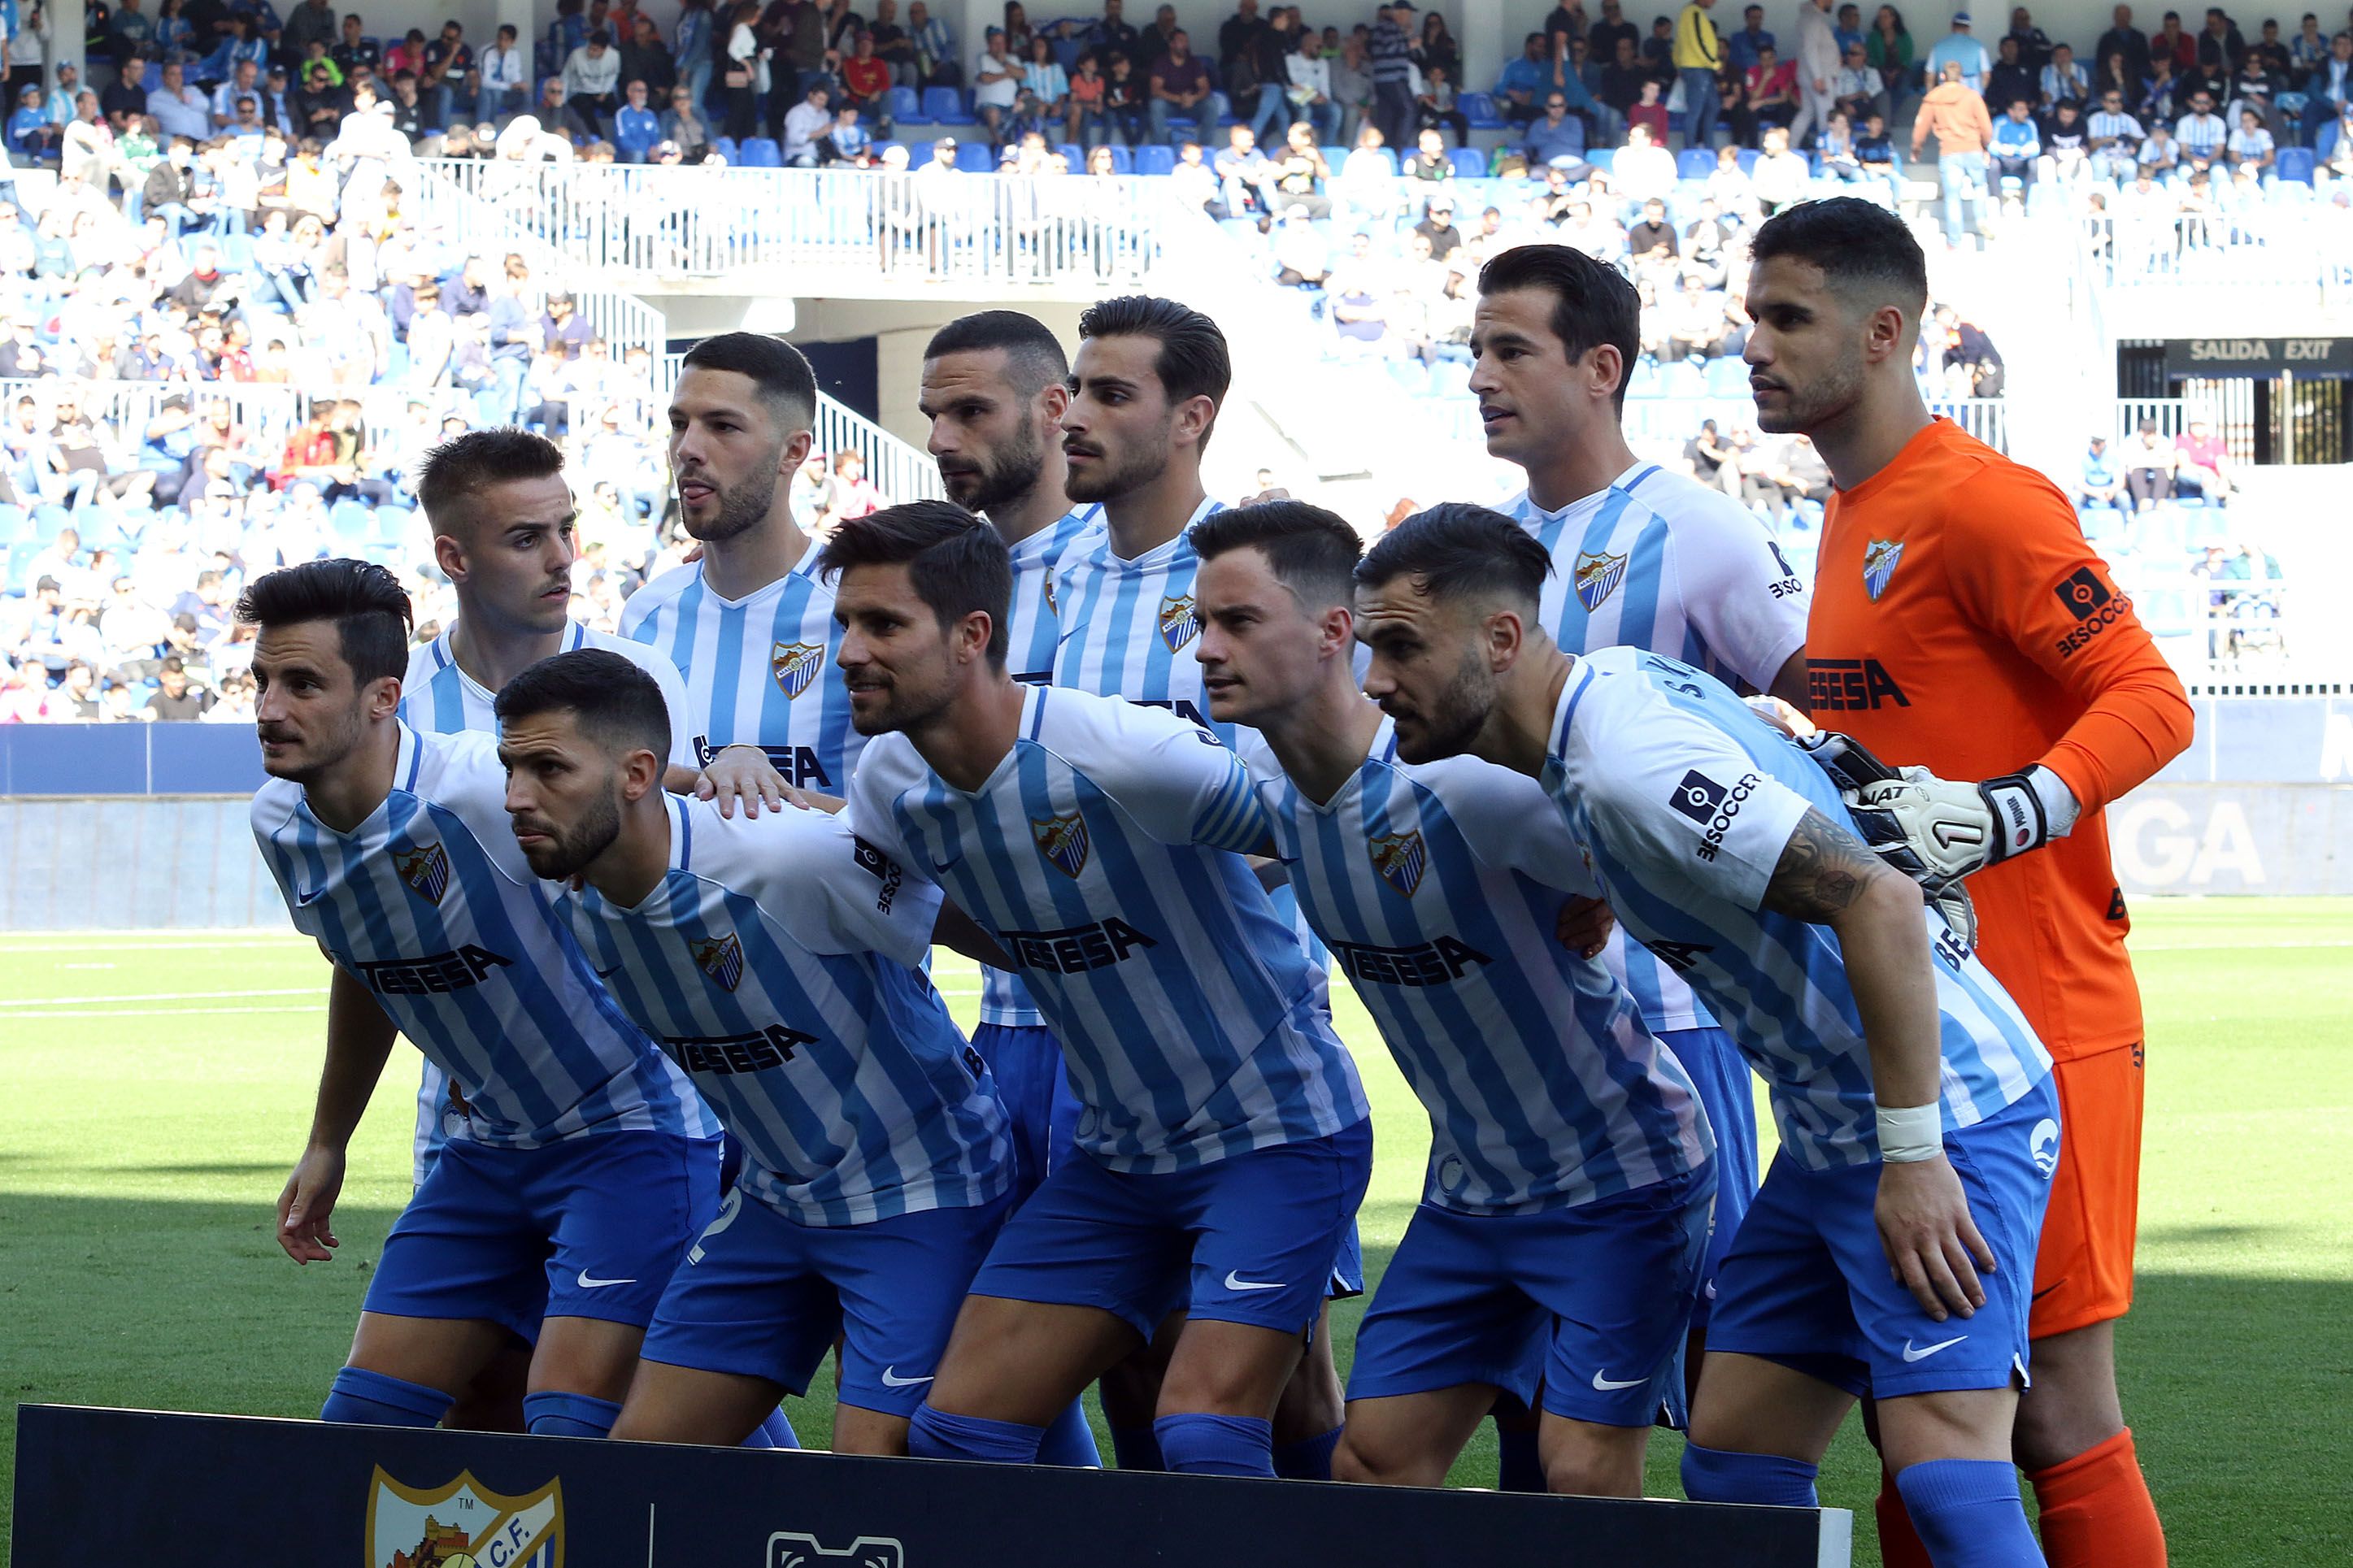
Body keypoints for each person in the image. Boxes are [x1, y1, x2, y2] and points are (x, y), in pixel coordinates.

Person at [1355, 502, 2059, 1568]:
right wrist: (1619, 888)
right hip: (1828, 1138)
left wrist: (1914, 1157)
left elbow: (1873, 899)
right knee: (1734, 1454)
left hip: (1947, 1116)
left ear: (1499, 640)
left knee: (1948, 1478)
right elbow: (1744, 749)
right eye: (1368, 646)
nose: (1372, 679)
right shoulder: (1615, 691)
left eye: (1400, 645)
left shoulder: (1624, 767)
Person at [1742, 195, 2186, 1568]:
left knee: (2048, 1408)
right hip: (1915, 1024)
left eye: (1783, 318)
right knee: (1918, 1413)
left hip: (2039, 1014)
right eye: (1747, 316)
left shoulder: (1982, 502)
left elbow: (2150, 696)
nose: (1749, 346)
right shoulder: (1838, 517)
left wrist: (2007, 811)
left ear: (1882, 334)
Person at [829, 501, 1371, 1481]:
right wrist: (1043, 937)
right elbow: (908, 910)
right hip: (1119, 1157)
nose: (849, 652)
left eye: (882, 626)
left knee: (1206, 1429)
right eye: (845, 624)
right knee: (958, 1438)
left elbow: (1318, 820)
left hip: (1276, 1132)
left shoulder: (1119, 752)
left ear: (970, 636)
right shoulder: (886, 780)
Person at [1188, 500, 1716, 1497]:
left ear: (1331, 632)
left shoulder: (1466, 786)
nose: (1207, 651)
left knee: (1579, 1472)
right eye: (1199, 626)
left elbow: (1646, 839)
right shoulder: (1261, 789)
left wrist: (1596, 893)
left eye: (1238, 623)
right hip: (1471, 1193)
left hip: (1620, 1179)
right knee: (1373, 1461)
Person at [244, 556, 726, 1443]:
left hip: (631, 1137)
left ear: (385, 697)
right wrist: (327, 1141)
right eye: (263, 680)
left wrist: (731, 775)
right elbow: (364, 964)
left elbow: (643, 799)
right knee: (360, 1428)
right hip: (486, 1152)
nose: (271, 707)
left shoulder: (479, 787)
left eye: (303, 683)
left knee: (579, 1425)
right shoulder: (279, 823)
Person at [488, 649, 1016, 1456]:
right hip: (778, 1201)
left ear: (634, 775)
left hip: (921, 1190)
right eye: (510, 768)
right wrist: (711, 764)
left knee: (887, 1480)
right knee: (642, 1466)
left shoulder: (783, 856)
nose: (516, 798)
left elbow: (1004, 929)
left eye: (547, 769)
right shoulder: (566, 871)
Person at [1465, 241, 1812, 1415]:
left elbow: (1807, 726)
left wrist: (1663, 867)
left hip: (1676, 1012)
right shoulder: (1481, 551)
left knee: (1721, 1345)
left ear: (1600, 367)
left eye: (1510, 349)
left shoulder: (1696, 530)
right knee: (1530, 1364)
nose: (1479, 374)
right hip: (1523, 1018)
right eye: (1473, 349)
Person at [391, 427, 711, 1436]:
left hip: (638, 1114)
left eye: (567, 530)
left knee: (640, 1400)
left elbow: (683, 884)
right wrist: (328, 1137)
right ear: (454, 556)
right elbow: (377, 945)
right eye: (527, 538)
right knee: (474, 1401)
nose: (564, 558)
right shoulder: (396, 704)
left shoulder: (634, 674)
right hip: (470, 1128)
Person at [622, 333, 855, 806]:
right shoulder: (645, 615)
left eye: (723, 426)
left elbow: (909, 829)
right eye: (678, 424)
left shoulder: (855, 610)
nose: (688, 448)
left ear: (793, 452)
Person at [1912, 59, 1993, 245]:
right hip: (1973, 148)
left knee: (1953, 197)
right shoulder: (1972, 96)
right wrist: (1985, 146)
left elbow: (1920, 127)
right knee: (1980, 186)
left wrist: (1916, 148)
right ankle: (1981, 218)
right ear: (1962, 77)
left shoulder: (1933, 98)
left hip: (1949, 151)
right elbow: (1986, 127)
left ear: (1942, 76)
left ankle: (1955, 241)